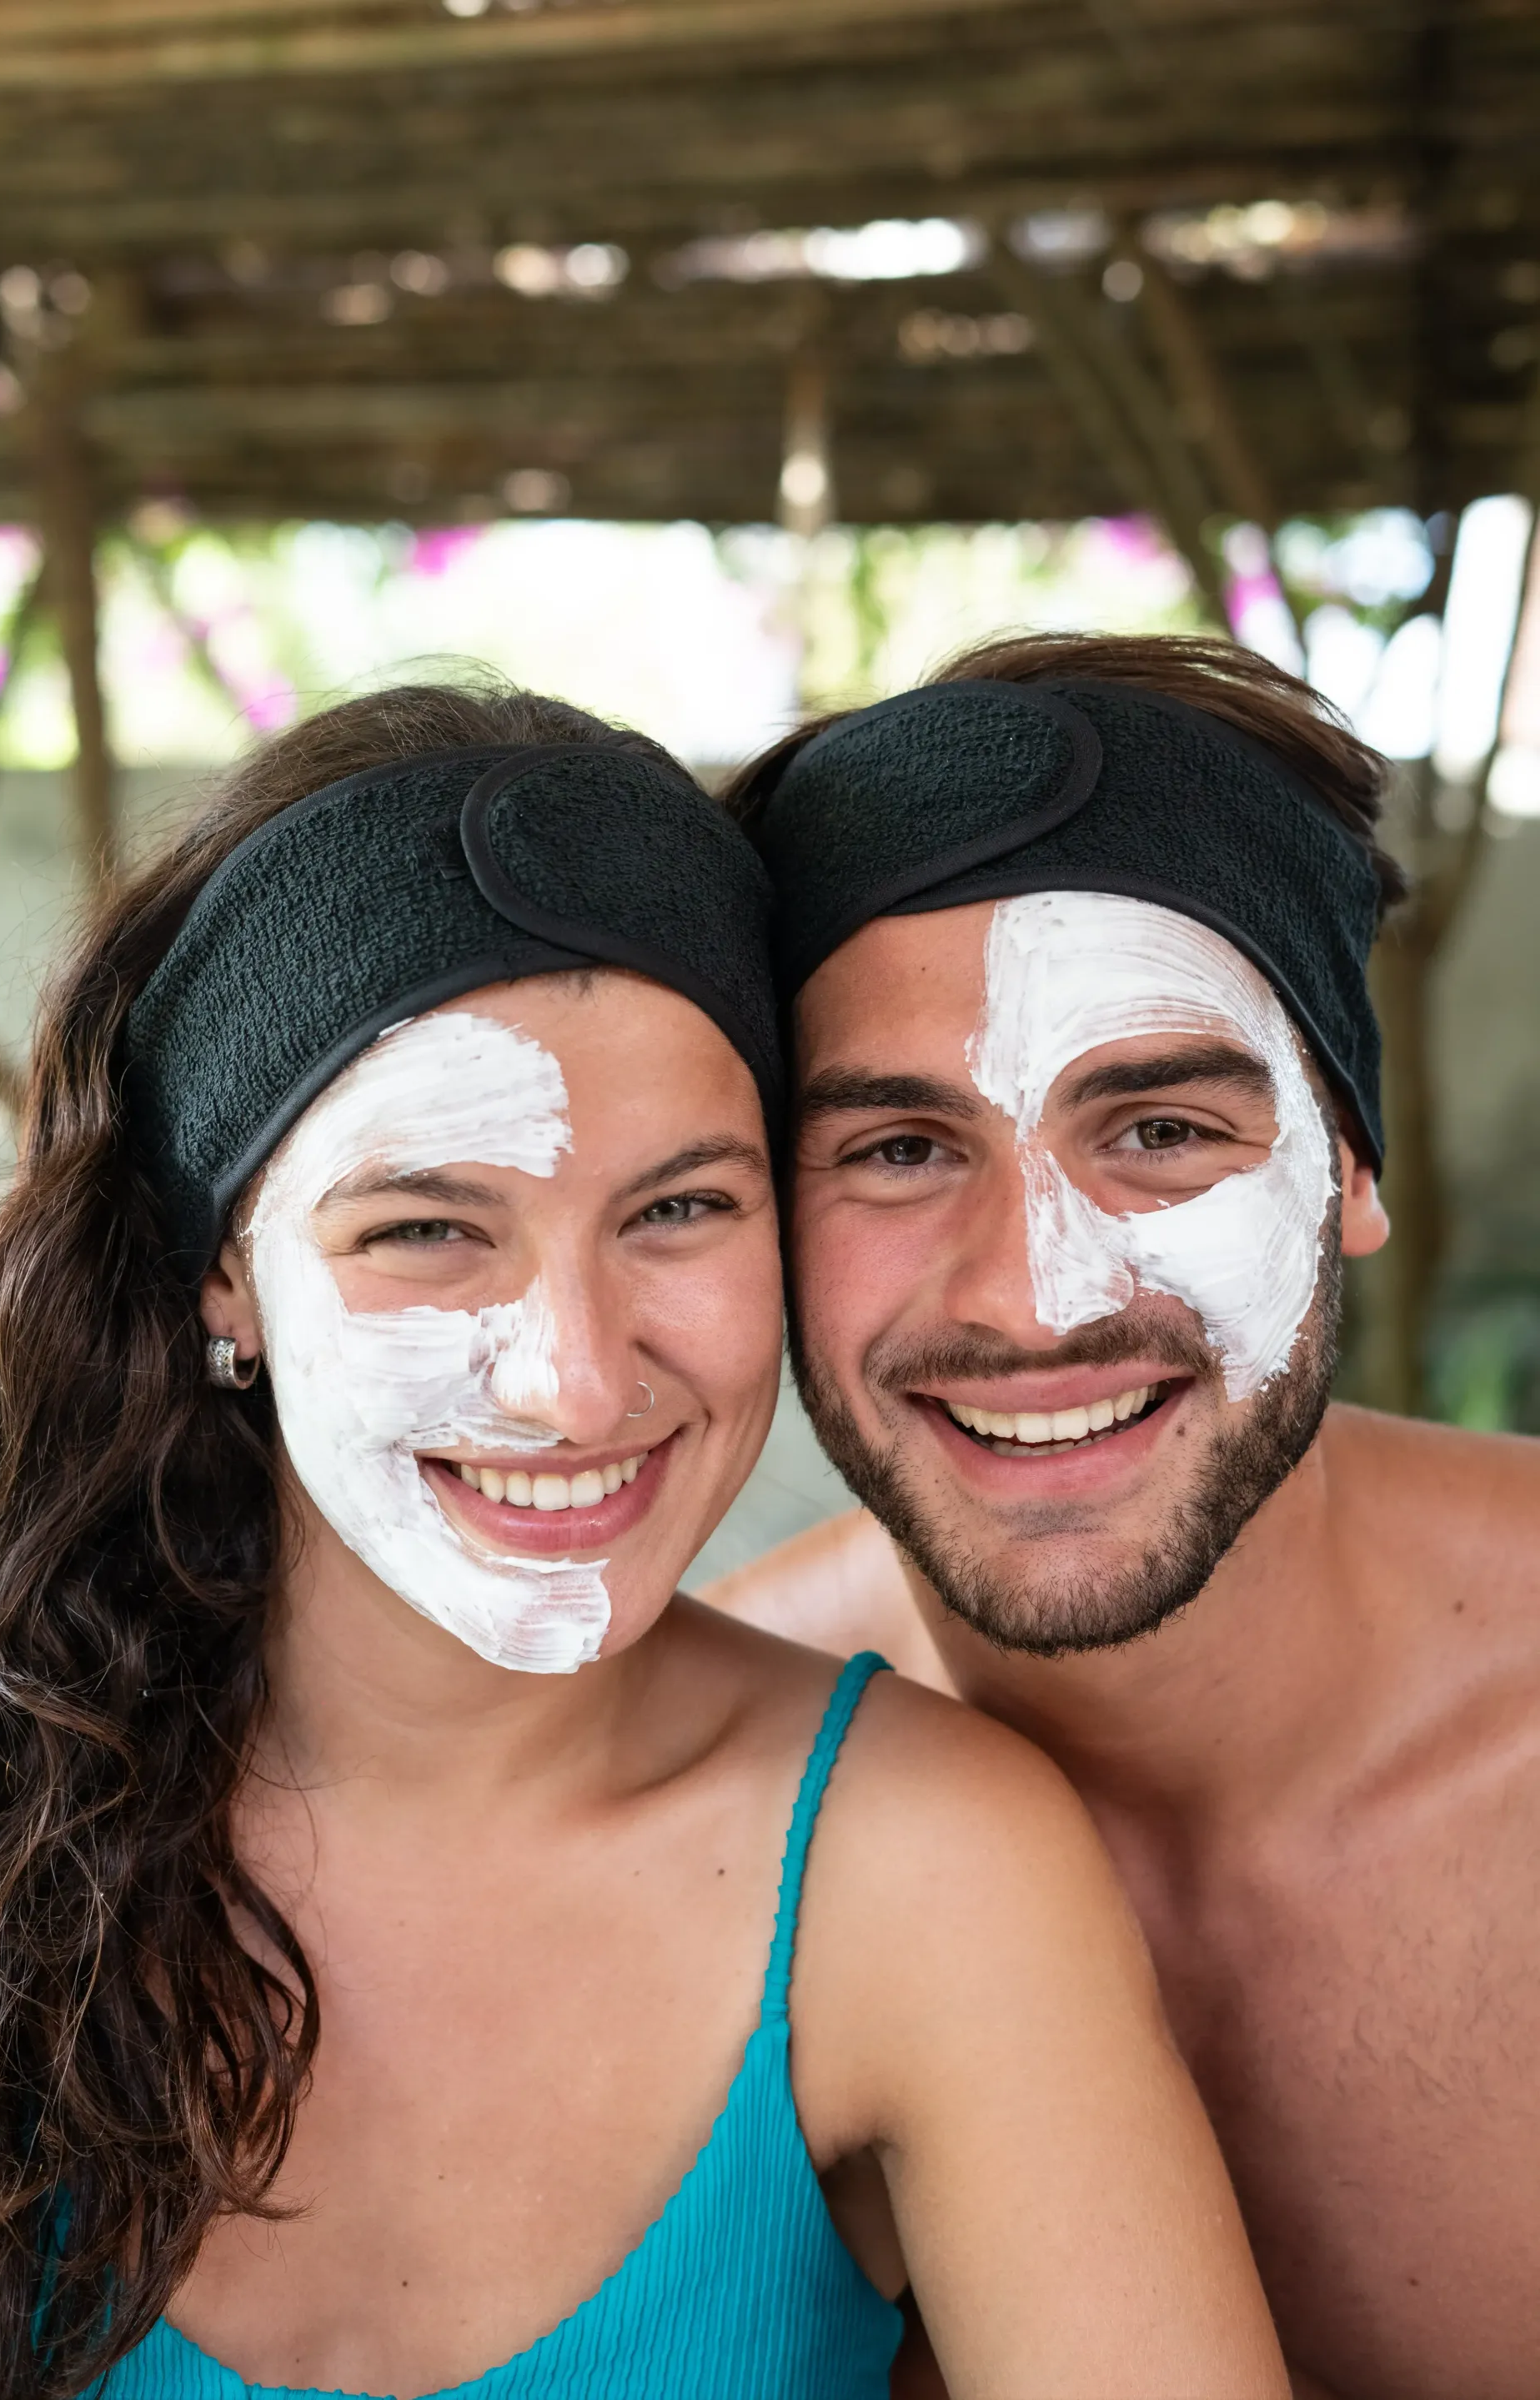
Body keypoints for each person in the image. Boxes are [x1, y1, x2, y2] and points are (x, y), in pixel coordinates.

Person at [0, 681, 1287, 2400]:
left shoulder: (927, 1875)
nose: (574, 1377)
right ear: (224, 1270)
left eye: (677, 1208)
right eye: (428, 1226)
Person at [710, 630, 1540, 2400]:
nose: (1034, 1295)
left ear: (1352, 1167)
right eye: (899, 1149)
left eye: (1160, 1125)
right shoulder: (695, 1802)